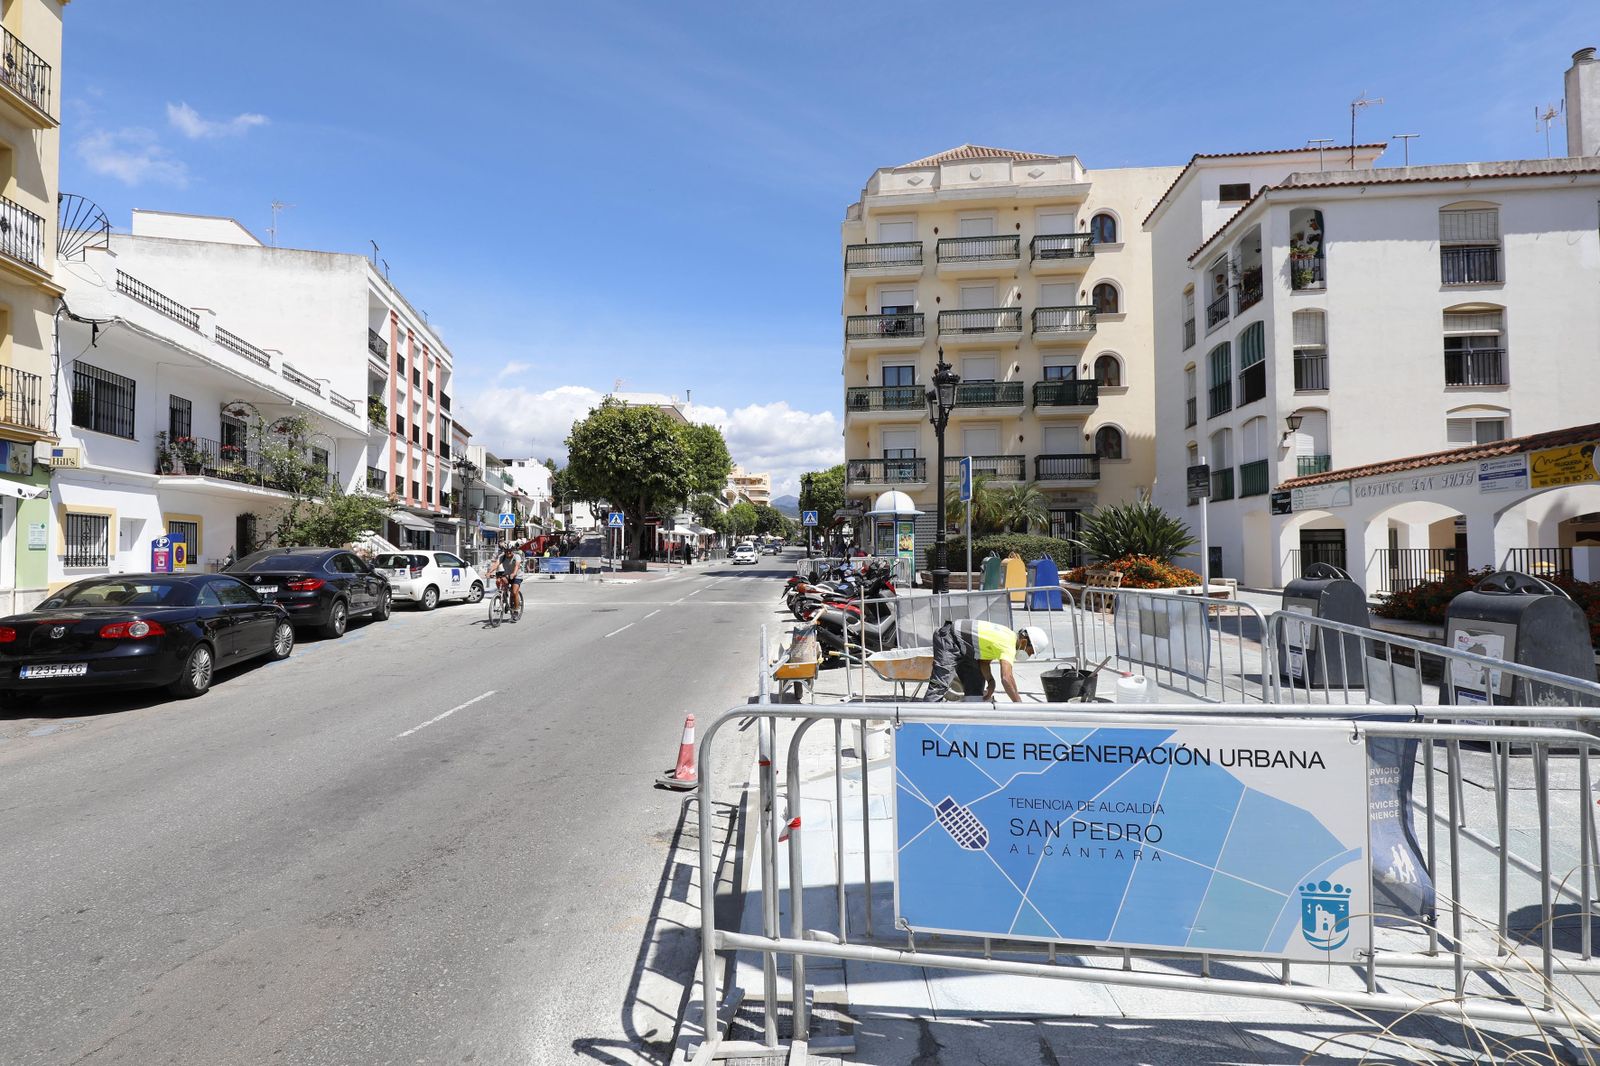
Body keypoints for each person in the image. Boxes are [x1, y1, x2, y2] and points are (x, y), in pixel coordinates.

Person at [924, 620, 1047, 703]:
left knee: (976, 682)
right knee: (940, 685)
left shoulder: (1007, 636)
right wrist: (1019, 705)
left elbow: (984, 662)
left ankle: (972, 718)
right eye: (1030, 652)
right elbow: (1007, 678)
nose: (1029, 655)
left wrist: (991, 681)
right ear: (1024, 642)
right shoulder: (1008, 644)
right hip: (949, 639)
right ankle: (925, 723)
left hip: (964, 647)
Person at [488, 542, 523, 618]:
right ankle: (504, 595)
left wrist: (514, 573)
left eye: (510, 550)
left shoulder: (517, 556)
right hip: (507, 574)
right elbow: (496, 564)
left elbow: (517, 566)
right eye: (506, 551)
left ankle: (516, 610)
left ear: (513, 550)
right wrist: (489, 572)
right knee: (499, 581)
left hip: (517, 575)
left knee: (514, 592)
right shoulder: (502, 557)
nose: (508, 552)